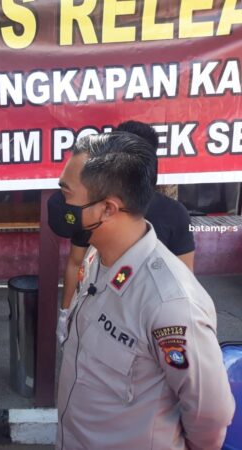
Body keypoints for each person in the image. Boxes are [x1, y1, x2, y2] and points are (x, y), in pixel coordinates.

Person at [48, 132, 235, 450]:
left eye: (66, 194)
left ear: (107, 209)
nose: (59, 204)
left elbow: (210, 416)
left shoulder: (171, 304)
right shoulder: (97, 258)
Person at [58, 121, 195, 342]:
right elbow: (75, 264)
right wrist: (66, 314)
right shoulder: (93, 247)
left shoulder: (170, 306)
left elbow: (185, 279)